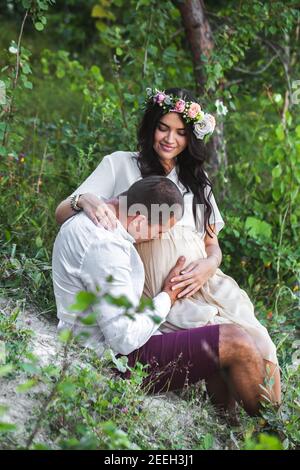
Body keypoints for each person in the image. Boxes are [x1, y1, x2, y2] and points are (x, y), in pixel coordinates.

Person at [55, 87, 281, 409]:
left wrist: (209, 265)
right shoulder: (121, 165)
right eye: (163, 127)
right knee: (230, 340)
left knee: (262, 342)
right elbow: (63, 213)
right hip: (160, 288)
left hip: (204, 281)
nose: (170, 139)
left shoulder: (197, 181)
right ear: (151, 126)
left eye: (180, 132)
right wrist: (84, 199)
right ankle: (242, 420)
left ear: (191, 138)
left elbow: (211, 244)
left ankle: (273, 422)